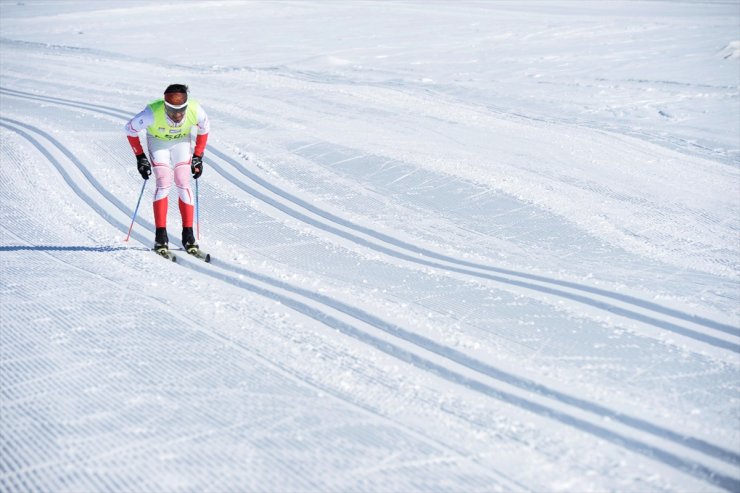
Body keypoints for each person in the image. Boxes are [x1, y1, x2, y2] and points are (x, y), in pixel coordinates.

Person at [124, 84, 210, 253]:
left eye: (181, 110)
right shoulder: (151, 113)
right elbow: (129, 129)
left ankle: (188, 235)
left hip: (181, 141)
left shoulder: (196, 110)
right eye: (171, 111)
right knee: (163, 181)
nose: (177, 115)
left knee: (183, 181)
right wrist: (140, 157)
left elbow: (205, 129)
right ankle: (160, 236)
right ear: (165, 105)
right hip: (158, 141)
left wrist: (198, 156)